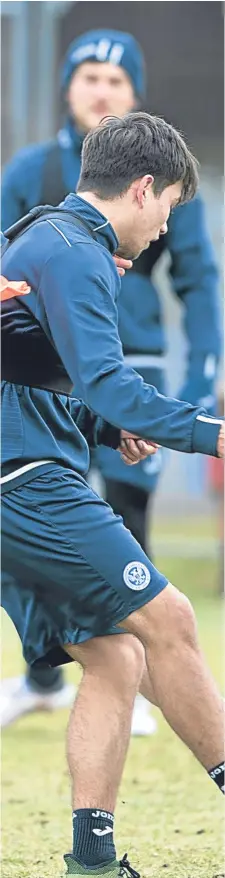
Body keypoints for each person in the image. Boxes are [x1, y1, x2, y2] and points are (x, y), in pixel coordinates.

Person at [1, 112, 224, 878]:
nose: (164, 228)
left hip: (22, 466)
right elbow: (110, 382)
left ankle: (91, 859)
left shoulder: (52, 241)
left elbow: (25, 368)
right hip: (21, 478)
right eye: (168, 206)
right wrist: (209, 430)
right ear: (141, 188)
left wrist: (99, 426)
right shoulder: (72, 250)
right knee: (169, 618)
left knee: (115, 653)